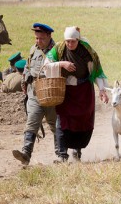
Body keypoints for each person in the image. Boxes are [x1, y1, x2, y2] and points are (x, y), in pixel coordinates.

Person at [45, 26, 109, 162]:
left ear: (78, 40)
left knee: (82, 121)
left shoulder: (88, 51)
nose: (70, 44)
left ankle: (77, 150)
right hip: (65, 91)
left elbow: (96, 71)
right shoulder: (58, 49)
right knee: (63, 121)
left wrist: (102, 90)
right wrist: (61, 64)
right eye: (67, 41)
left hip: (84, 90)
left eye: (73, 41)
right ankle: (62, 155)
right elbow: (46, 66)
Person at [12, 23, 62, 165]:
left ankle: (60, 154)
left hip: (51, 92)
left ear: (49, 36)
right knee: (32, 122)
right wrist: (24, 81)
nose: (38, 41)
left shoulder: (57, 51)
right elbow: (28, 66)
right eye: (36, 38)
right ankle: (26, 154)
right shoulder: (33, 49)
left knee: (56, 124)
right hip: (34, 92)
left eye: (41, 38)